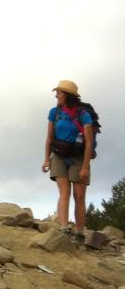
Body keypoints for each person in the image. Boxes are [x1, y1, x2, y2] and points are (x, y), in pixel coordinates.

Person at [41, 78, 94, 242]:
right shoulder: (54, 112)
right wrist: (46, 159)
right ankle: (64, 228)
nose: (56, 95)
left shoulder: (83, 115)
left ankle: (79, 232)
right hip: (58, 155)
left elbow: (89, 142)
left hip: (78, 157)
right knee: (64, 193)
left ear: (68, 95)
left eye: (59, 92)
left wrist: (85, 166)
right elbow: (50, 137)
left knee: (79, 196)